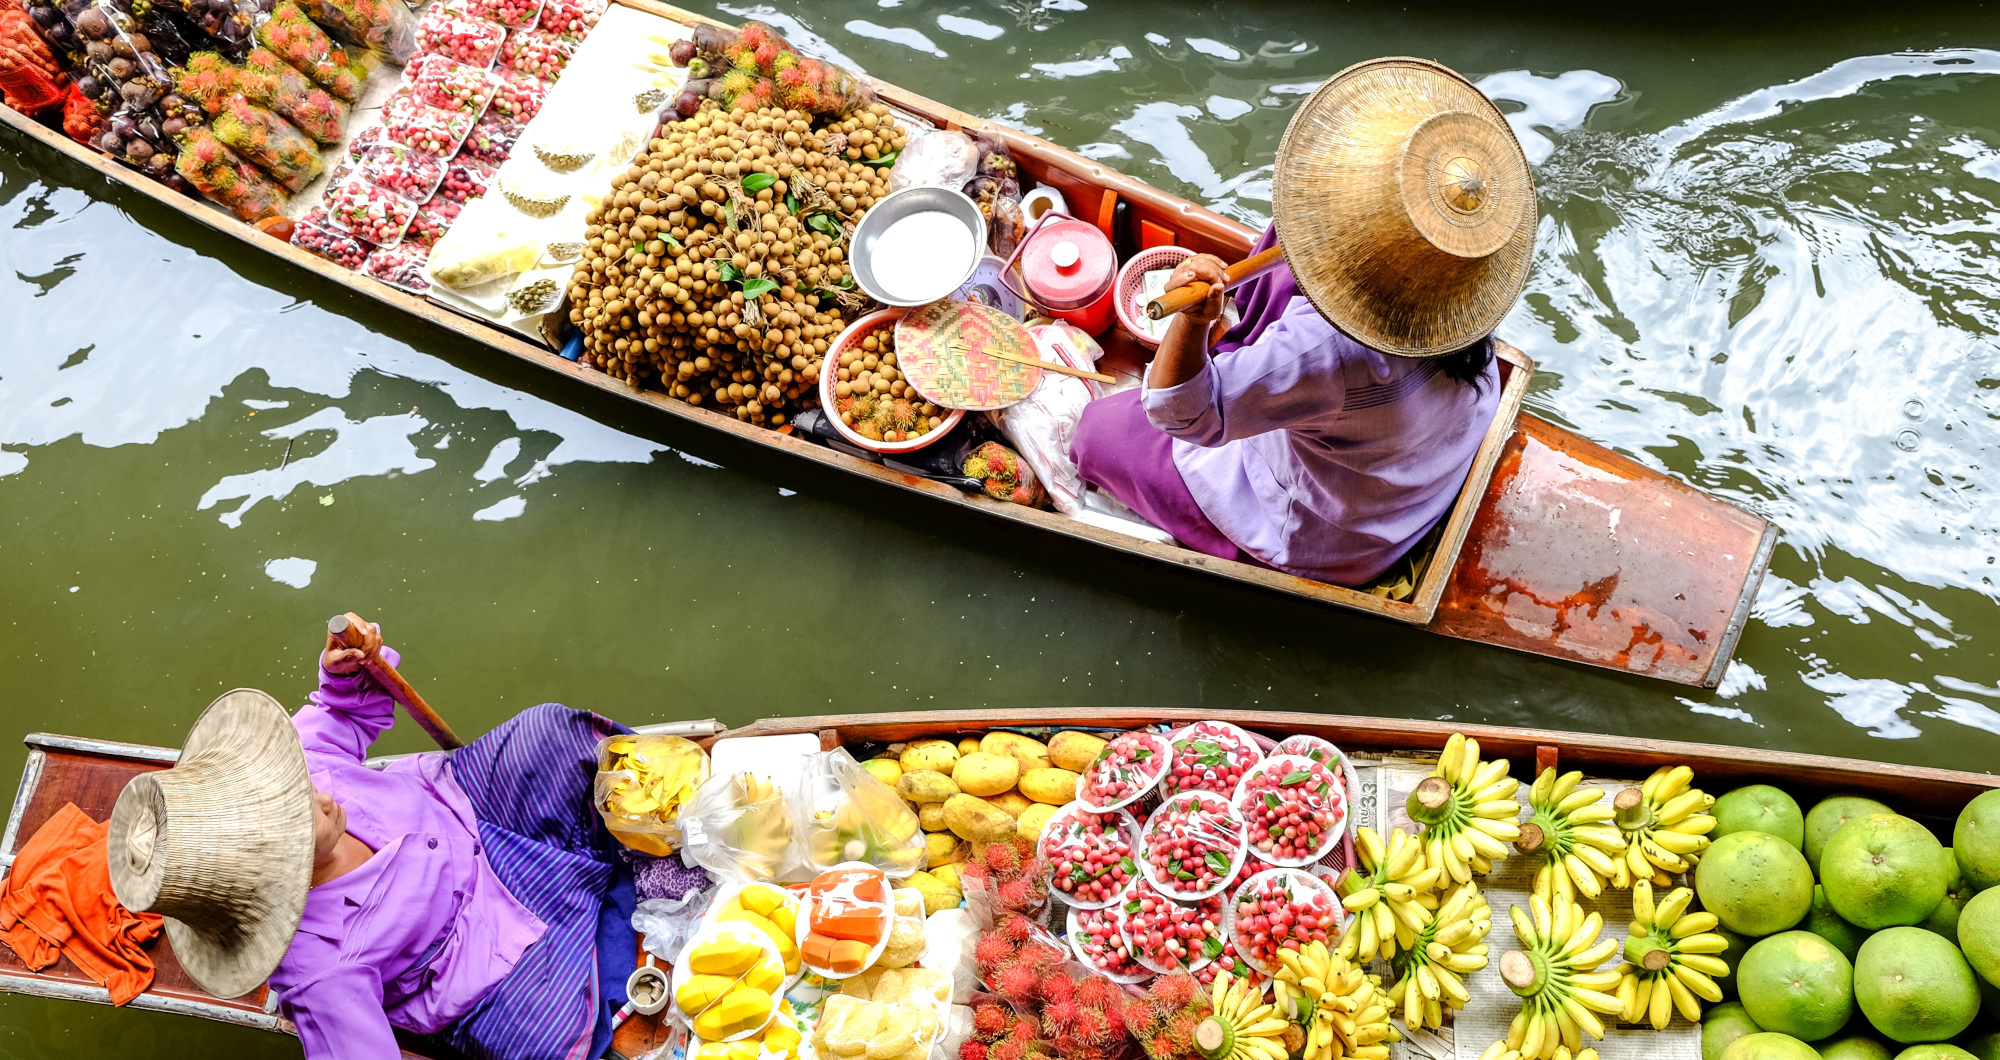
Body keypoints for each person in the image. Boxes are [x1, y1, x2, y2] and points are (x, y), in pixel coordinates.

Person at [1069, 57, 1535, 588]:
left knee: (1096, 431)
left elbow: (1180, 415)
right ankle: (1242, 364)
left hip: (1330, 537)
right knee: (1281, 237)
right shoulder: (1459, 286)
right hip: (1414, 483)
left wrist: (1193, 323)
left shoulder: (1323, 352)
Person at [105, 616, 639, 1060]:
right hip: (472, 954)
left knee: (547, 734)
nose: (317, 796)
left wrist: (344, 672)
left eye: (294, 788)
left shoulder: (295, 767)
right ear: (275, 872)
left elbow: (340, 715)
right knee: (540, 1038)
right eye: (299, 817)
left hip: (466, 811)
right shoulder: (319, 972)